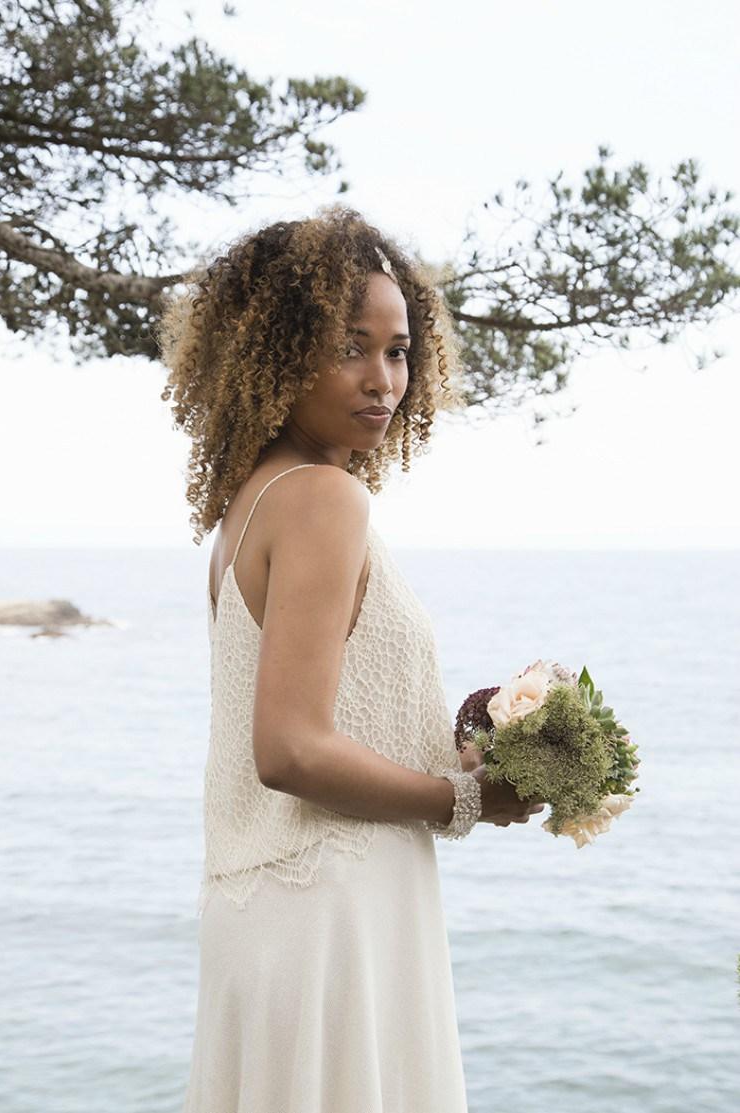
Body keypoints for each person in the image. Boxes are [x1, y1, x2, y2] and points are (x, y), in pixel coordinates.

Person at [158, 203, 545, 1113]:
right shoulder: (323, 500)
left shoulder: (251, 506)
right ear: (278, 351)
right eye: (349, 347)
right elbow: (290, 747)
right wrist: (465, 799)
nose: (384, 379)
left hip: (267, 913)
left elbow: (324, 719)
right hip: (334, 911)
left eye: (399, 350)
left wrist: (467, 744)